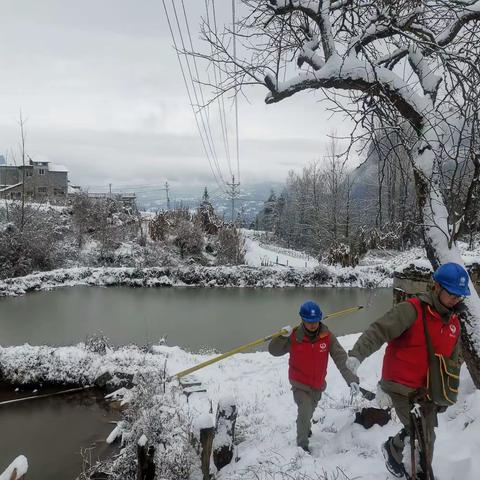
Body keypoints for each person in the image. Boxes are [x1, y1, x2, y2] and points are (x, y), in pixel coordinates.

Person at [346, 262, 471, 479]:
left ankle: (396, 451)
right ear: (437, 287)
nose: (456, 299)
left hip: (428, 389)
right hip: (400, 386)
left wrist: (445, 394)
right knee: (420, 433)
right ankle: (415, 470)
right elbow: (379, 331)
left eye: (460, 295)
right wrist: (358, 354)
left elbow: (451, 363)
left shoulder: (454, 323)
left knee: (427, 435)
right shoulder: (411, 310)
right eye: (452, 293)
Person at [269, 300, 360, 453]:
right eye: (309, 321)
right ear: (302, 320)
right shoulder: (294, 337)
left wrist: (352, 379)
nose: (312, 325)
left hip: (317, 384)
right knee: (304, 410)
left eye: (315, 321)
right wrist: (281, 337)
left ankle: (305, 427)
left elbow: (340, 357)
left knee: (309, 411)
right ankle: (302, 445)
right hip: (299, 382)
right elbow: (274, 351)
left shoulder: (327, 336)